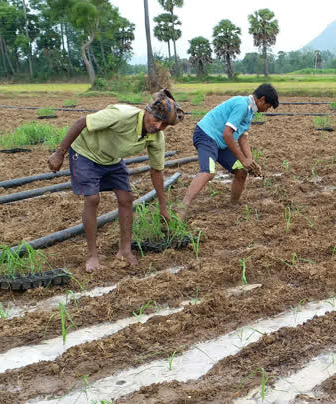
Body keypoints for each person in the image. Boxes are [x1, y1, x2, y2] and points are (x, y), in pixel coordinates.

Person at [47, 89, 184, 272]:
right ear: (147, 112)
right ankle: (92, 256)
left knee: (127, 198)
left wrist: (163, 207)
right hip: (86, 152)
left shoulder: (156, 137)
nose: (159, 126)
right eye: (156, 119)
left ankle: (125, 251)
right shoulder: (121, 115)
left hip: (111, 159)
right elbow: (81, 122)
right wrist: (59, 153)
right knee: (92, 198)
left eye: (164, 124)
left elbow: (157, 171)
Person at [177, 83, 279, 220]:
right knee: (208, 172)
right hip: (206, 136)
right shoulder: (242, 105)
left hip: (221, 144)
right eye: (267, 106)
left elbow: (242, 139)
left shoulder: (251, 113)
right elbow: (227, 134)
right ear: (262, 99)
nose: (266, 110)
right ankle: (182, 208)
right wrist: (243, 159)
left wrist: (250, 161)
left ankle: (233, 206)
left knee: (241, 171)